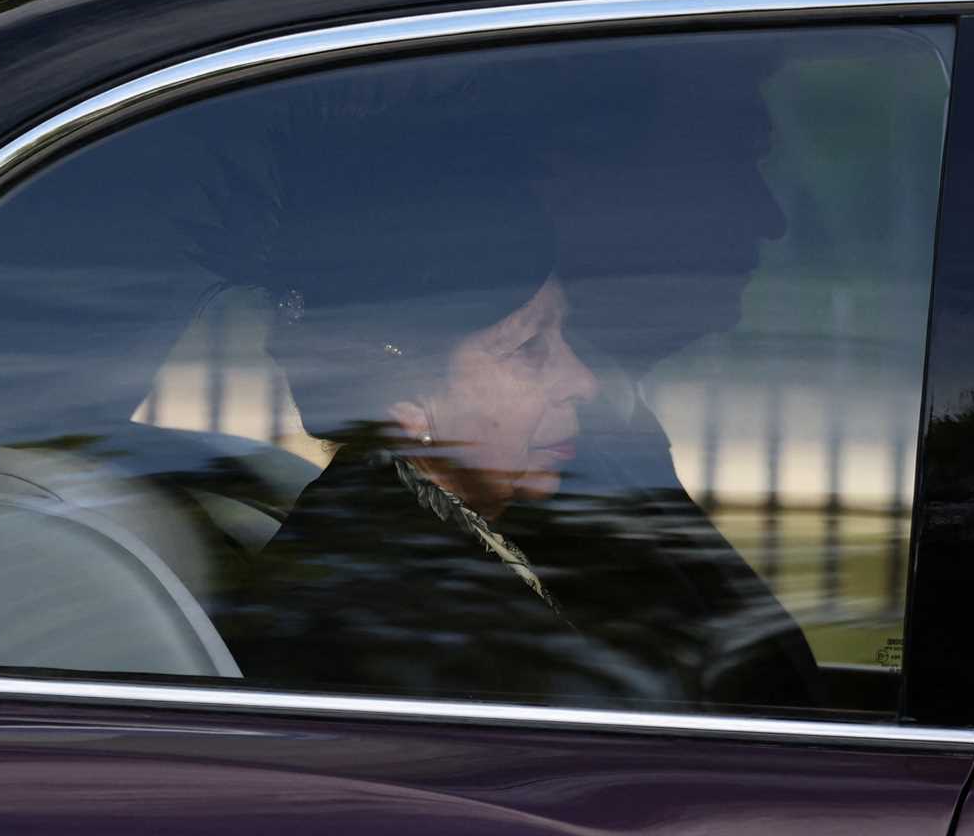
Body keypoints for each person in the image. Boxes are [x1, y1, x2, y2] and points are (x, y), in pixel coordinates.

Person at [199, 55, 823, 712]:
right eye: (528, 349)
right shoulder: (392, 619)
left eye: (561, 337)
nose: (580, 380)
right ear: (405, 397)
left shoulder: (422, 551)